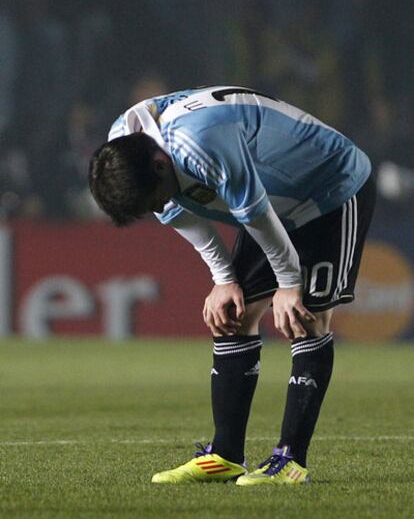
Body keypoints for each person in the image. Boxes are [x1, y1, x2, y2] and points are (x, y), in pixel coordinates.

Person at [89, 85, 375, 486]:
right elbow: (175, 209)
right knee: (233, 314)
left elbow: (252, 211)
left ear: (158, 165)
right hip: (275, 201)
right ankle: (225, 454)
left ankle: (291, 460)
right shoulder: (126, 147)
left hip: (331, 187)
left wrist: (289, 284)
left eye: (152, 201)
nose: (158, 209)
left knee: (305, 316)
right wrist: (223, 279)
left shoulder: (200, 142)